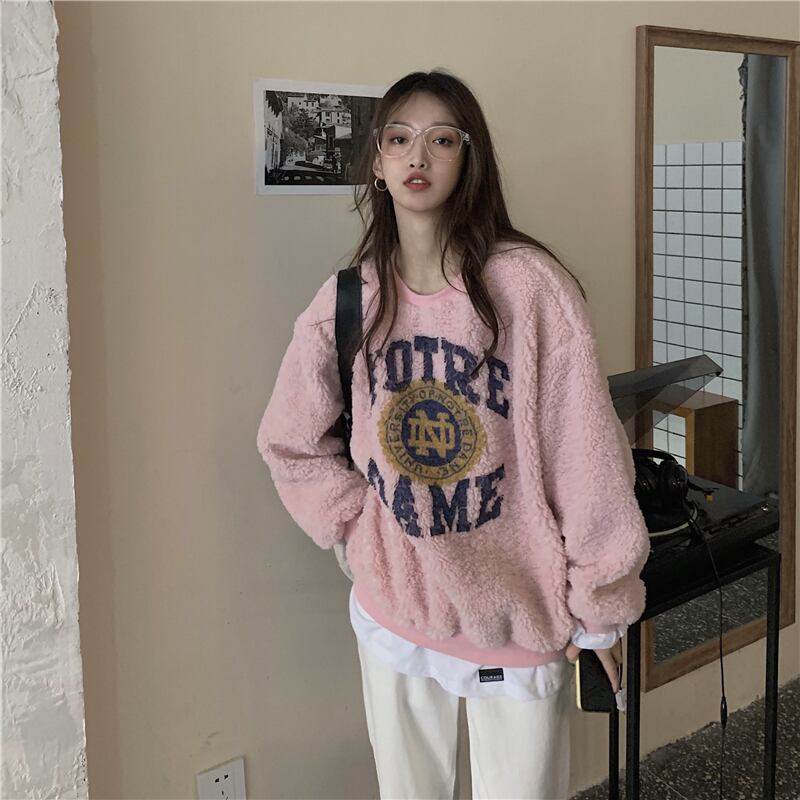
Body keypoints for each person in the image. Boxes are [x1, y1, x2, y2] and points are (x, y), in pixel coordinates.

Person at [256, 68, 651, 800]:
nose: (418, 156)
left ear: (470, 159)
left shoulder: (529, 288)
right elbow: (290, 440)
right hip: (395, 614)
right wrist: (356, 528)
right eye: (399, 138)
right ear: (377, 162)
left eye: (442, 139)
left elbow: (587, 457)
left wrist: (601, 604)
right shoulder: (351, 299)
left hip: (518, 619)